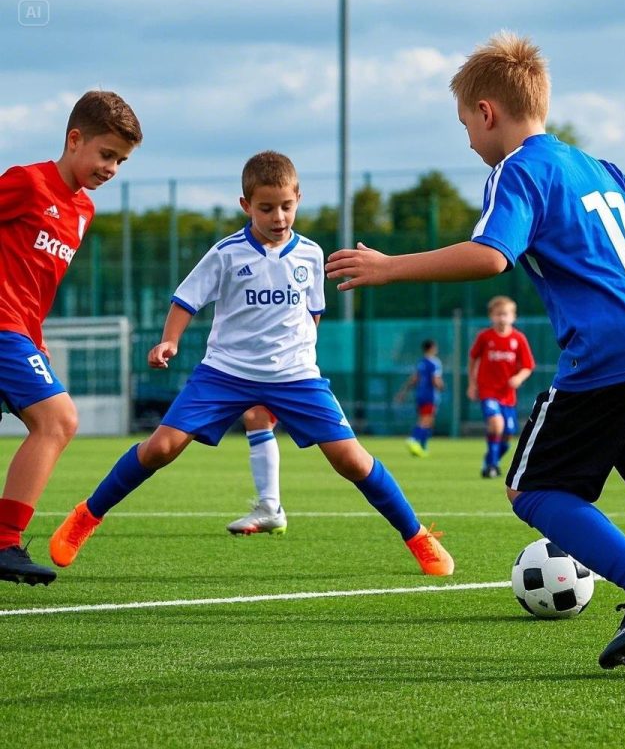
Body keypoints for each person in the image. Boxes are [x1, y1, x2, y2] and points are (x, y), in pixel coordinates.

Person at [325, 31, 625, 672]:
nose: (470, 142)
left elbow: (491, 255)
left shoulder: (519, 170)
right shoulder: (593, 166)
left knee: (533, 489)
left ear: (487, 112)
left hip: (612, 355)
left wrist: (392, 266)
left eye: (465, 126)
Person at [49, 151, 454, 577]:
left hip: (296, 377)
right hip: (226, 373)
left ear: (298, 197)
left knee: (352, 460)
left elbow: (313, 312)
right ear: (246, 205)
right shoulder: (226, 253)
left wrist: (295, 355)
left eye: (286, 205)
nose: (278, 216)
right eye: (266, 208)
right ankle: (86, 517)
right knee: (161, 448)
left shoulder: (312, 255)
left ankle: (418, 536)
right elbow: (186, 299)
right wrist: (169, 341)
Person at [0, 90, 142, 587]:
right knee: (59, 419)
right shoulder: (27, 183)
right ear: (74, 139)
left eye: (121, 161)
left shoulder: (84, 211)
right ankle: (4, 542)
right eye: (106, 155)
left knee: (55, 422)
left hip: (21, 335)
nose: (112, 169)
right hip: (3, 329)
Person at [467, 295, 534, 478]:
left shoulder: (518, 339)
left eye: (505, 314)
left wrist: (519, 377)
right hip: (488, 390)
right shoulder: (485, 337)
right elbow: (473, 359)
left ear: (513, 317)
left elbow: (528, 365)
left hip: (508, 395)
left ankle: (490, 460)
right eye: (498, 314)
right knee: (497, 424)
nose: (502, 318)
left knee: (508, 434)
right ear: (491, 316)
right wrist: (472, 384)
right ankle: (492, 466)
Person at [226, 405, 287, 535]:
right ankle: (270, 508)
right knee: (256, 416)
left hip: (297, 385)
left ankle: (270, 509)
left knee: (340, 456)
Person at [395, 339, 444, 458]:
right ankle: (413, 439)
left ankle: (422, 447)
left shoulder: (421, 362)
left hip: (420, 395)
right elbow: (435, 380)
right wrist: (441, 386)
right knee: (425, 420)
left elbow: (414, 379)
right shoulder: (434, 363)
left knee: (429, 422)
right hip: (430, 396)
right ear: (432, 348)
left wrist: (403, 392)